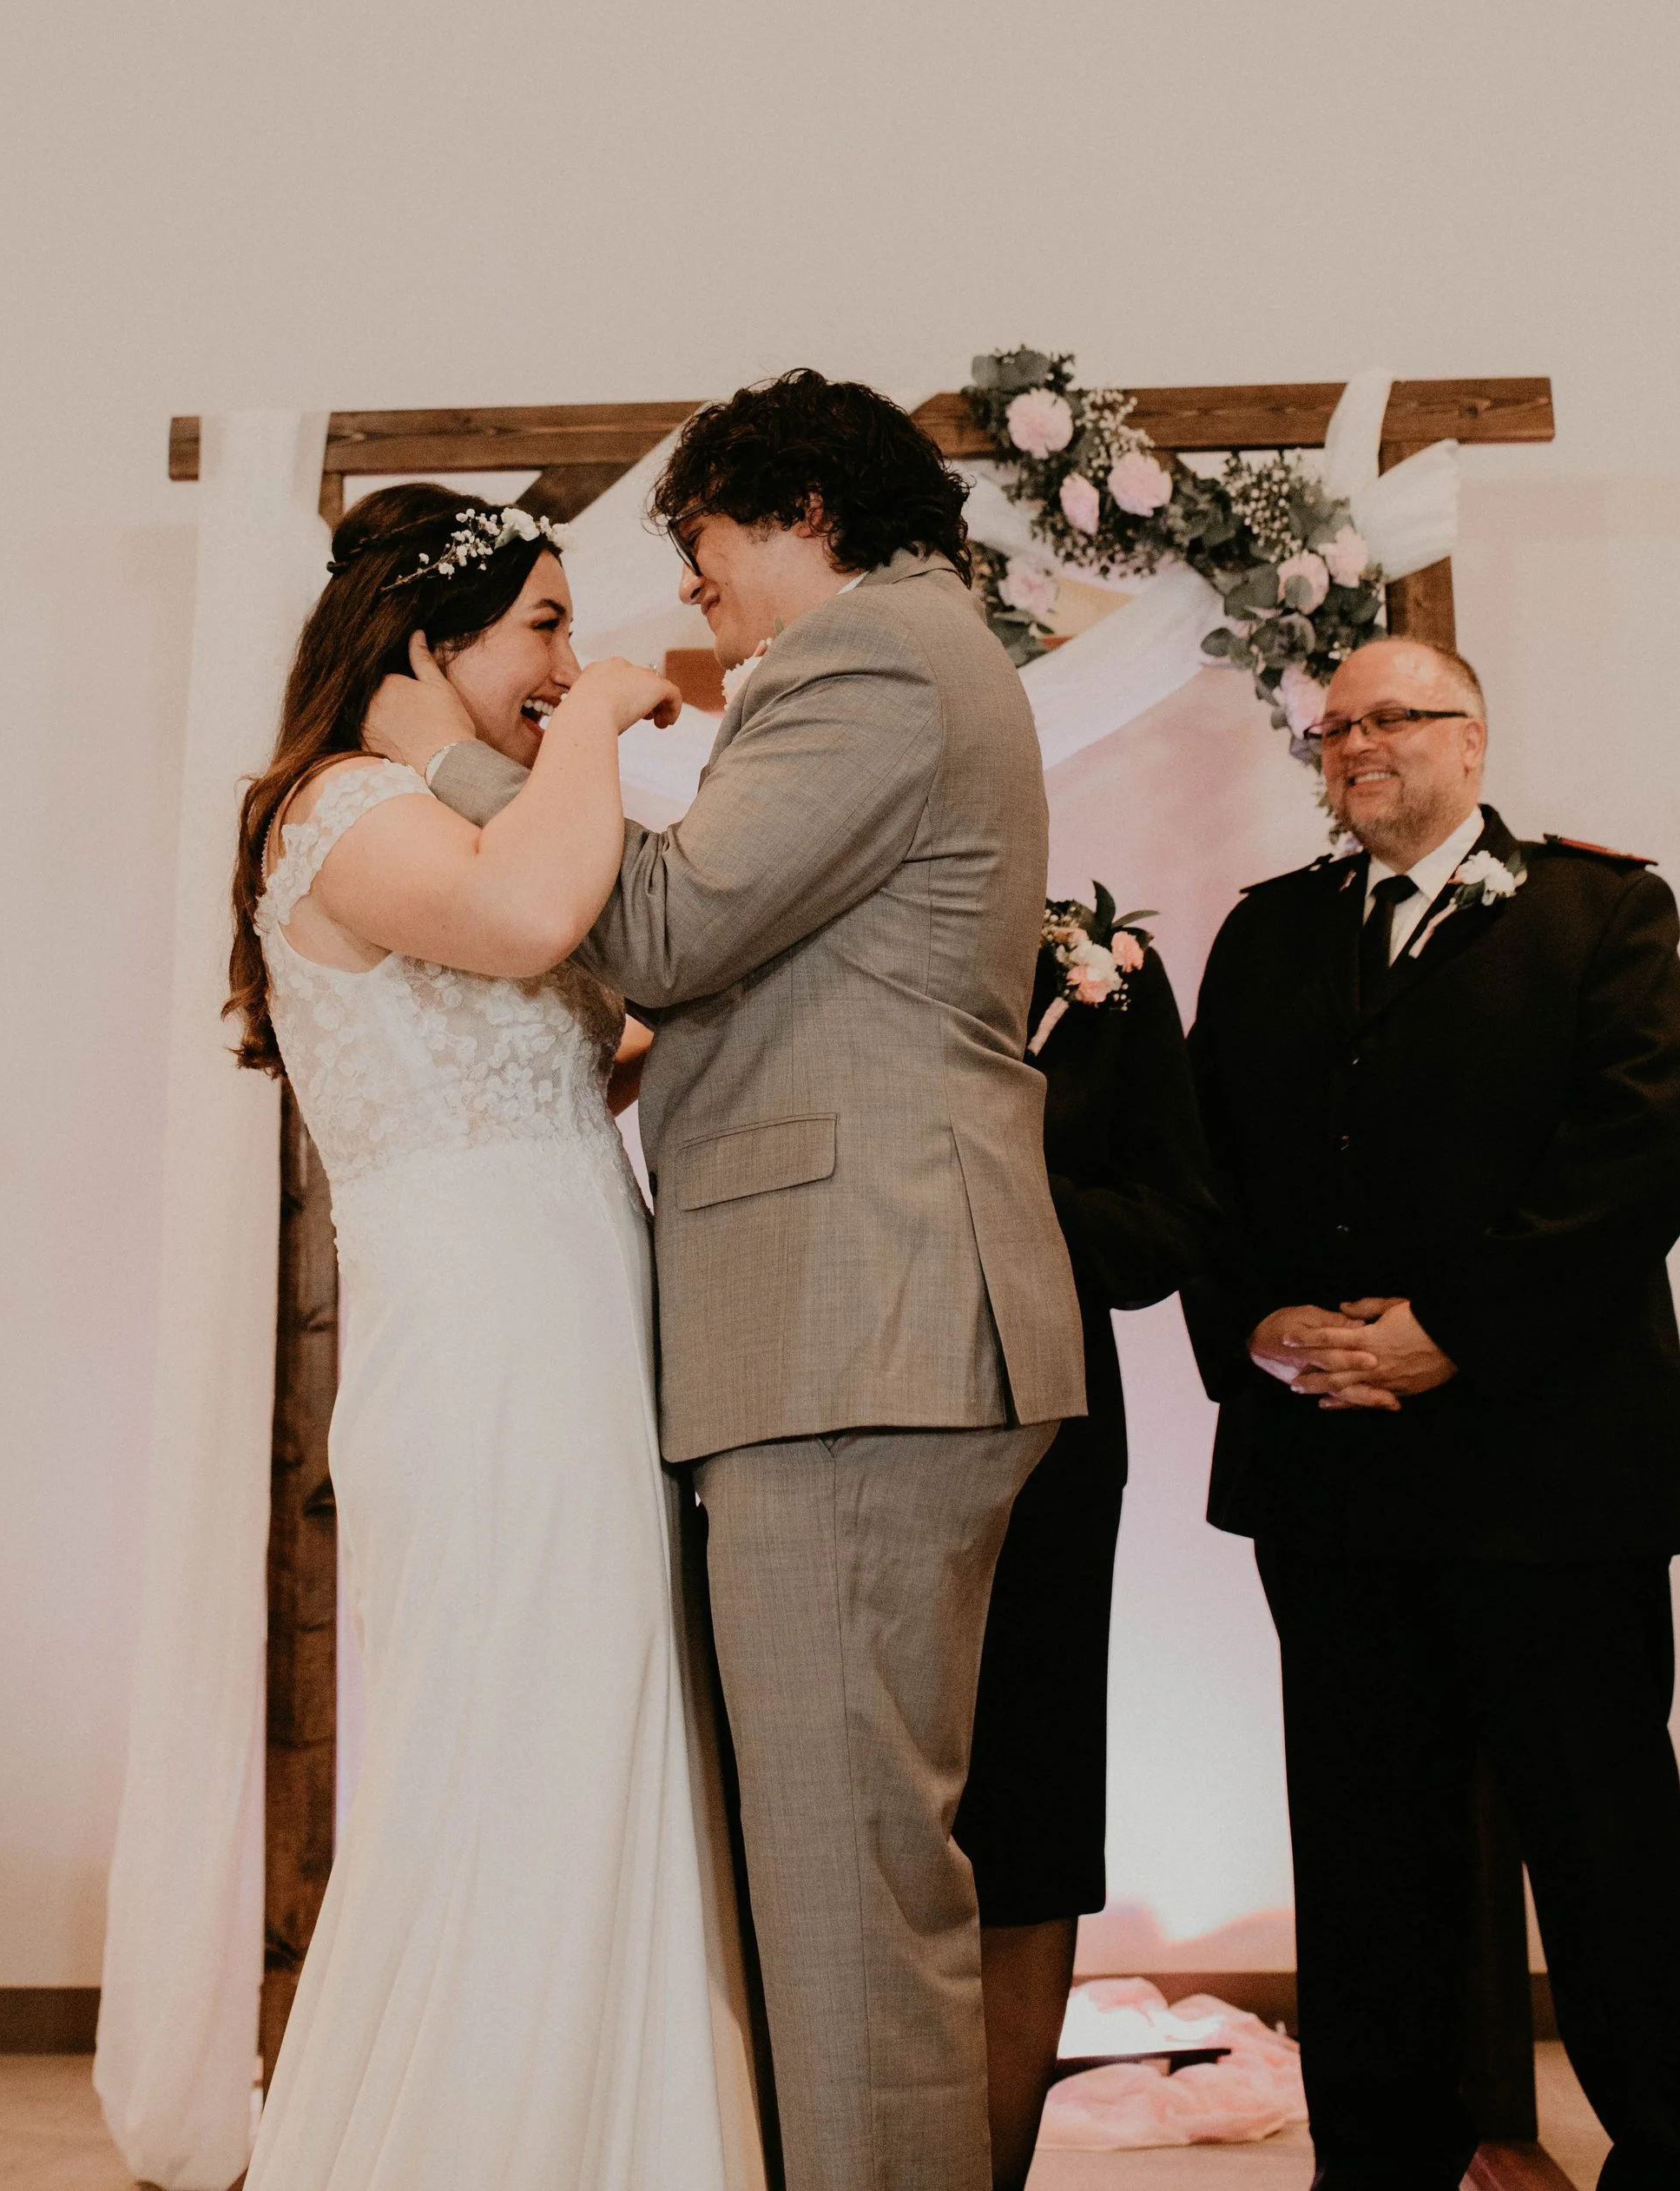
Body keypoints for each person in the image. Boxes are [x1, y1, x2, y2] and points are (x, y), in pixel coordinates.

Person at [399, 371, 1087, 2191]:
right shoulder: (909, 658)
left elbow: (667, 922)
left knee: (849, 1879)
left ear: (786, 510)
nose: (692, 595)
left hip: (855, 1328)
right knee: (852, 1863)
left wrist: (456, 747)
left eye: (697, 549)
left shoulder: (873, 660)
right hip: (856, 1323)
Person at [223, 483, 747, 2191]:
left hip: (578, 1313)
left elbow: (570, 1034)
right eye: (537, 623)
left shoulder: (455, 808)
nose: (562, 655)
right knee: (505, 1747)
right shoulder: (337, 809)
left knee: (593, 1735)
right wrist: (599, 715)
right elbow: (532, 928)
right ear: (430, 639)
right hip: (477, 1343)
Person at [1185, 630, 1680, 2191]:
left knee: (1606, 1849)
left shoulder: (1601, 910)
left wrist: (1454, 1332)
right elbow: (1202, 1167)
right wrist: (1257, 1316)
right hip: (1333, 1482)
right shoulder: (1268, 935)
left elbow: (1638, 1164)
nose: (1358, 744)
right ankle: (1378, 2164)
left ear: (1473, 741)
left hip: (1551, 1474)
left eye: (1393, 719)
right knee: (1369, 1860)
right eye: (1335, 727)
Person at [954, 892, 1216, 2191]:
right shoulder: (806, 899)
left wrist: (1001, 1192)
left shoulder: (1103, 961)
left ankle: (995, 2168)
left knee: (1029, 1803)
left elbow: (1164, 1226)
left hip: (1050, 1438)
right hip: (823, 1413)